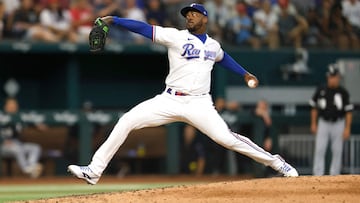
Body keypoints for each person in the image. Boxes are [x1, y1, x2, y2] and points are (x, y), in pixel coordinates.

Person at [67, 3, 298, 185]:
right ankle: (94, 171)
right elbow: (144, 28)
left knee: (227, 139)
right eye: (187, 14)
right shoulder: (176, 36)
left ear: (205, 18)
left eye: (194, 13)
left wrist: (245, 73)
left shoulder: (214, 45)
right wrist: (114, 20)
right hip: (168, 100)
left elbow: (223, 57)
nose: (189, 16)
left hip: (199, 104)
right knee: (126, 120)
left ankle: (278, 164)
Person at [309, 63, 353, 176]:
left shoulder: (343, 92)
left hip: (338, 123)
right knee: (320, 149)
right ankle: (317, 174)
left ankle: (335, 175)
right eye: (332, 77)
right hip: (323, 122)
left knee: (337, 151)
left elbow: (348, 112)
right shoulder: (321, 90)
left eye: (335, 77)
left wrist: (347, 128)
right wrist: (313, 123)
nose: (333, 79)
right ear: (328, 77)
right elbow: (313, 107)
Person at [0, 97, 43, 178]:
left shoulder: (18, 117)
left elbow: (28, 121)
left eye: (14, 105)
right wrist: (2, 140)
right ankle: (26, 168)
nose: (13, 107)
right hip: (3, 145)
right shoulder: (1, 116)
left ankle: (31, 166)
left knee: (35, 147)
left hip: (16, 144)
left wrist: (36, 125)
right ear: (6, 106)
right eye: (10, 105)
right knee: (17, 148)